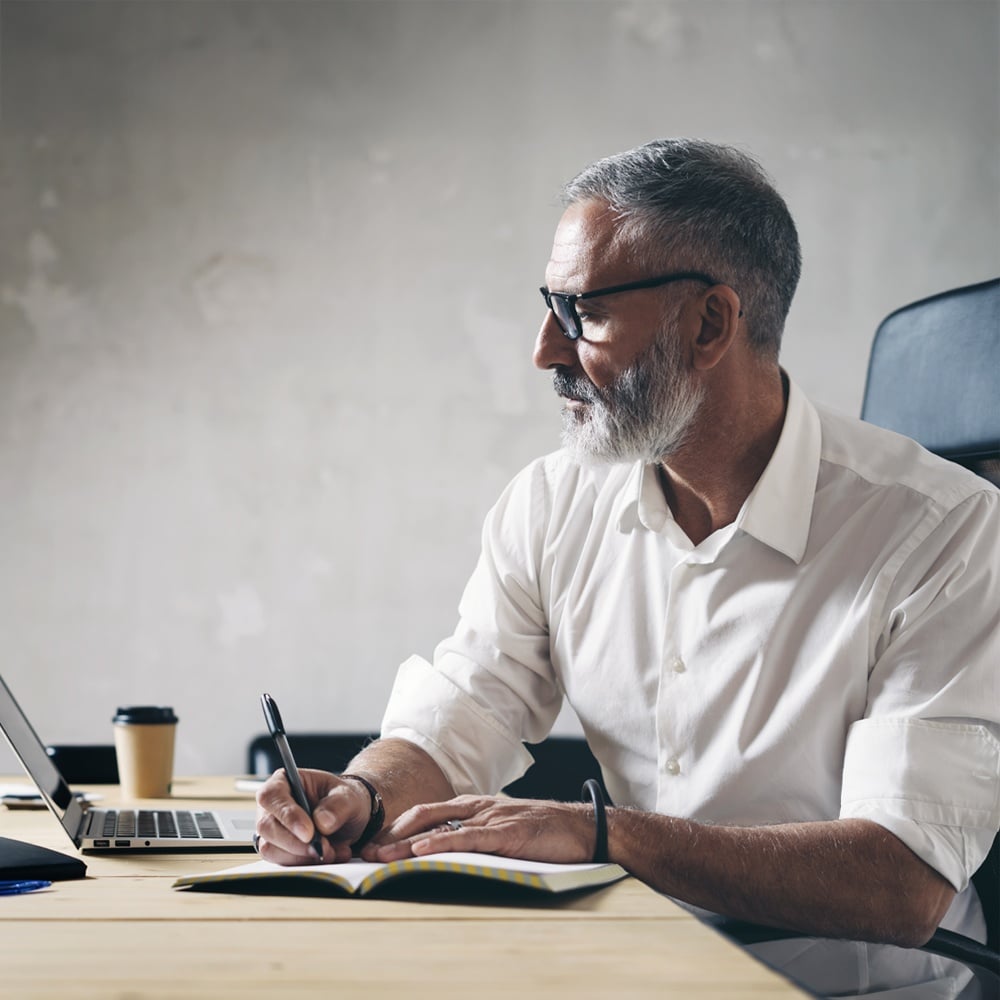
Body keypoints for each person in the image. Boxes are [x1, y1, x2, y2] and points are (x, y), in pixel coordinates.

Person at [255, 138, 999, 949]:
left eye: (586, 312)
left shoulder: (947, 531)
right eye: (549, 306)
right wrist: (364, 794)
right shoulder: (549, 504)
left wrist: (604, 834)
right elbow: (465, 711)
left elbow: (900, 884)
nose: (544, 349)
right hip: (630, 967)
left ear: (711, 322)